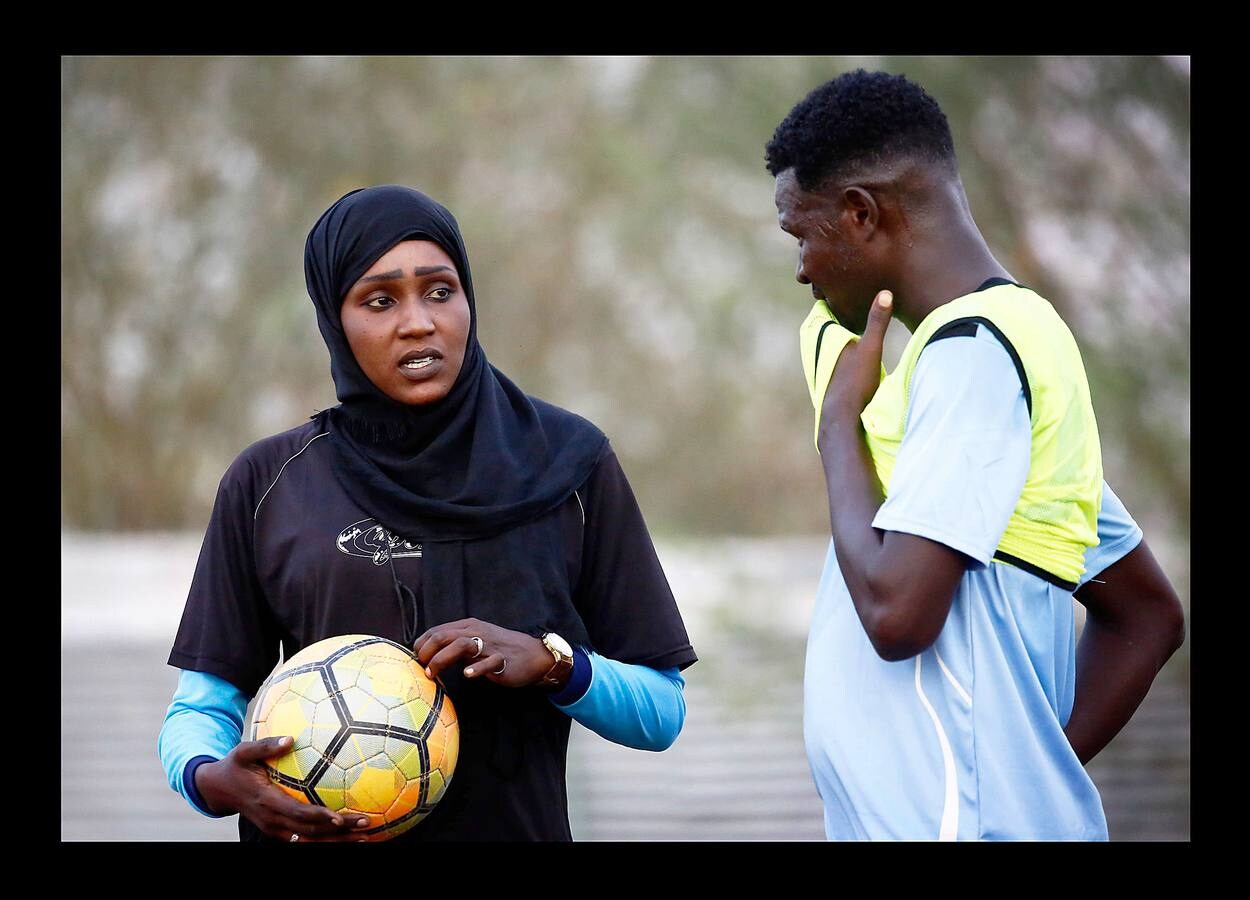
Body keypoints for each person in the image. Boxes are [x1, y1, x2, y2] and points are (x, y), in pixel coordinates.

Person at [157, 185, 697, 842]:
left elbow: (661, 711)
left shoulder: (570, 466)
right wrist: (209, 777)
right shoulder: (269, 483)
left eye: (440, 291)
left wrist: (557, 662)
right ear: (334, 317)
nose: (419, 322)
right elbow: (202, 707)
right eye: (380, 300)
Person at [766, 71, 1185, 840]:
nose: (802, 270)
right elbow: (1146, 615)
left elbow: (898, 615)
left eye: (804, 235)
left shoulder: (977, 354)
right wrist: (1033, 773)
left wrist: (836, 432)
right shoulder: (959, 380)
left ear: (861, 213)